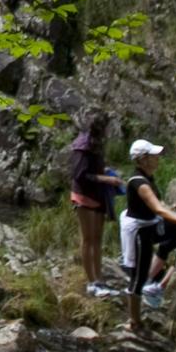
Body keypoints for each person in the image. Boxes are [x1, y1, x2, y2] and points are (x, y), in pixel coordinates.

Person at [123, 139, 176, 332]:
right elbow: (158, 208)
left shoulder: (148, 177)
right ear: (143, 160)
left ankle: (159, 271)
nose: (158, 158)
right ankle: (134, 321)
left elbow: (161, 207)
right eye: (153, 155)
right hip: (140, 232)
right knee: (138, 277)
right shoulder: (139, 183)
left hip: (151, 226)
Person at [69, 110, 121, 294]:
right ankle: (91, 282)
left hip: (98, 195)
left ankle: (99, 279)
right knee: (88, 239)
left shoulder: (97, 144)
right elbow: (80, 175)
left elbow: (92, 168)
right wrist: (106, 179)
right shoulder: (82, 145)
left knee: (97, 239)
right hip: (84, 195)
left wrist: (106, 171)